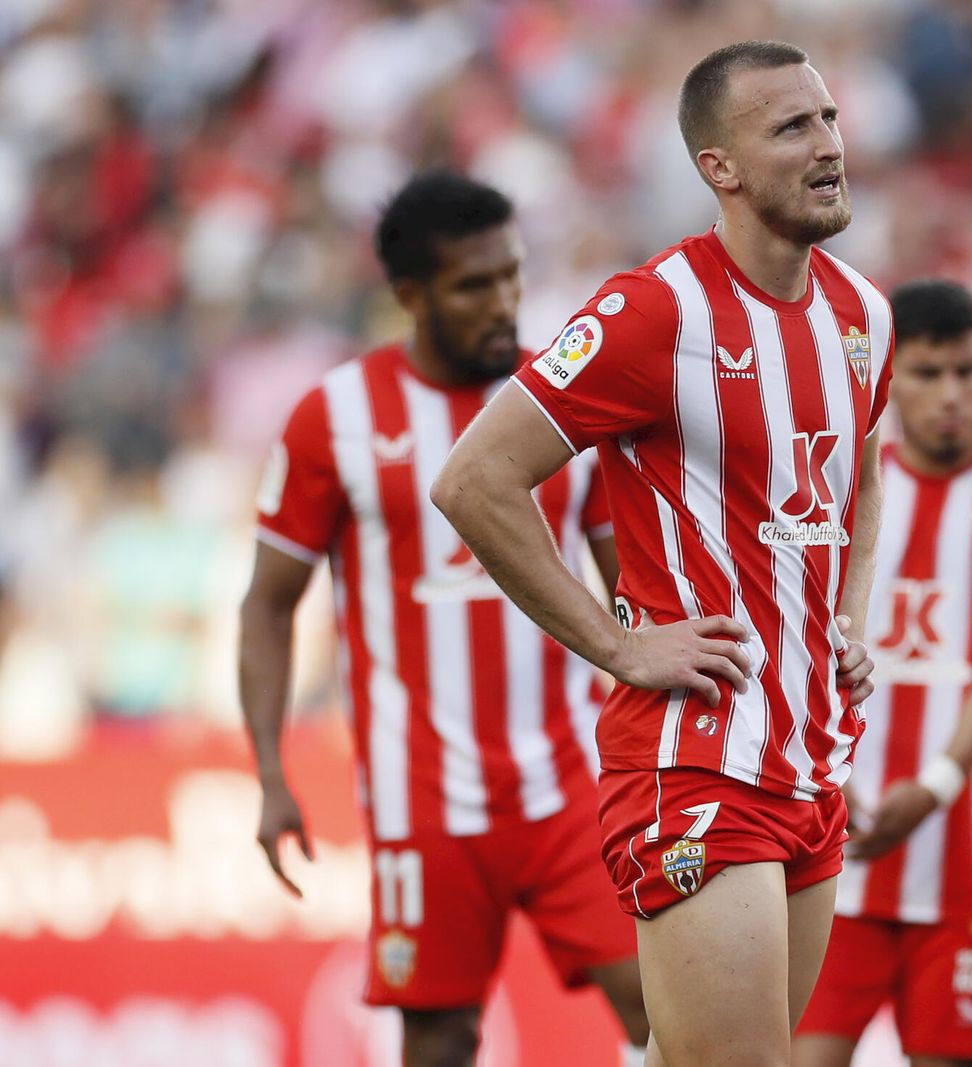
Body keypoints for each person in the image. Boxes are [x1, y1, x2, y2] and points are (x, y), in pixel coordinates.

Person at [431, 40, 891, 1067]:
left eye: (828, 120)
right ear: (718, 168)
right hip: (695, 761)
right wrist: (619, 645)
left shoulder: (865, 314)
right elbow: (474, 479)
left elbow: (860, 475)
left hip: (813, 759)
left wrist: (845, 616)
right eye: (790, 128)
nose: (827, 146)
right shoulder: (656, 313)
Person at [238, 171, 650, 1067]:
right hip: (421, 796)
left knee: (665, 1003)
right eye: (475, 285)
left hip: (572, 780)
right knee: (440, 1040)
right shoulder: (335, 417)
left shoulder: (566, 399)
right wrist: (270, 770)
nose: (505, 302)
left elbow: (634, 596)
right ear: (410, 295)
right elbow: (269, 605)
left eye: (513, 274)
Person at [793, 280, 972, 1067]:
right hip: (833, 847)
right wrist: (824, 776)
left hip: (967, 857)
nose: (951, 394)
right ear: (888, 380)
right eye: (927, 373)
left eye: (968, 370)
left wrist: (938, 782)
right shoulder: (832, 483)